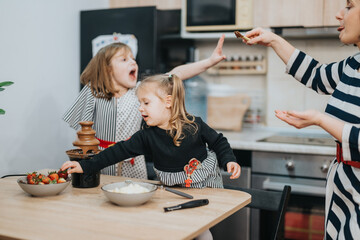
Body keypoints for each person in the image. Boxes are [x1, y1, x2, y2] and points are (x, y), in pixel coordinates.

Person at [62, 73, 241, 240]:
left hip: (204, 185)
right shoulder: (146, 136)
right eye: (139, 103)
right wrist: (85, 166)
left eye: (146, 103)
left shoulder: (194, 125)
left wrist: (229, 160)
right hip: (174, 191)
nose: (140, 108)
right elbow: (119, 151)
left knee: (202, 230)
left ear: (168, 102)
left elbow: (218, 141)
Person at [241, 0, 360, 238]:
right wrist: (273, 39)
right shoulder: (353, 65)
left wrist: (320, 119)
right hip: (343, 191)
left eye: (349, 6)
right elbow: (316, 75)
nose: (338, 14)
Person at [63, 35, 226, 179]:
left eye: (133, 58)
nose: (133, 62)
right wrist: (84, 164)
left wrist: (210, 61)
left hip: (134, 164)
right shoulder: (93, 91)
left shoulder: (142, 91)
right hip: (103, 161)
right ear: (107, 68)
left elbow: (176, 74)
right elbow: (81, 134)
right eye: (124, 59)